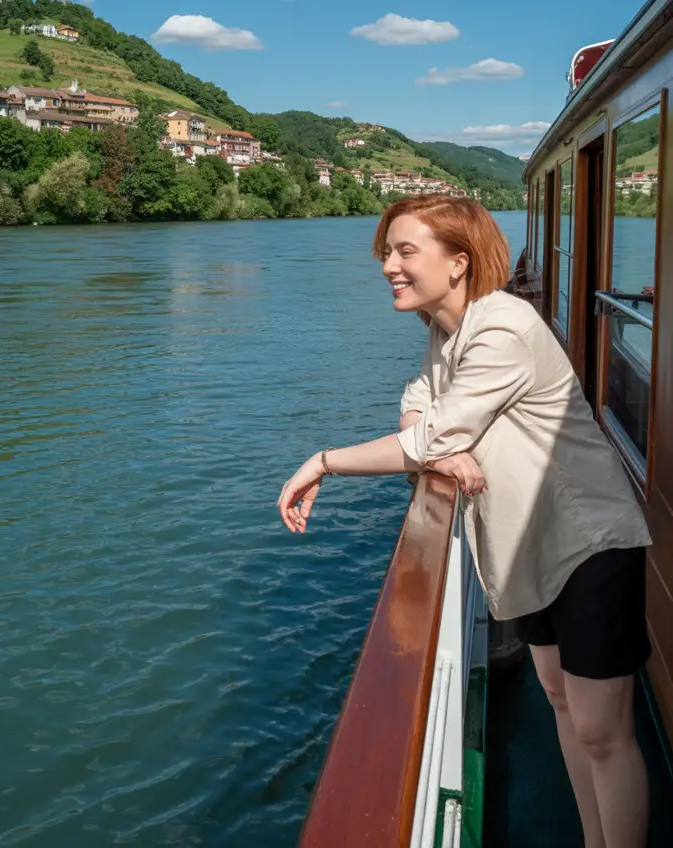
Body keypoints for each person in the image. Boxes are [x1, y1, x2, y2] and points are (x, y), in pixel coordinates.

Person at [277, 195, 652, 848]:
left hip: (589, 539)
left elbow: (428, 435)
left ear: (457, 262)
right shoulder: (443, 332)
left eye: (403, 251)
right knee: (561, 701)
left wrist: (324, 461)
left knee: (602, 729)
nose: (388, 266)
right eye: (386, 253)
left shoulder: (501, 325)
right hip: (528, 546)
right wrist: (444, 447)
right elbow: (416, 417)